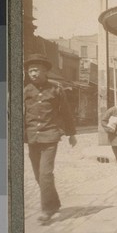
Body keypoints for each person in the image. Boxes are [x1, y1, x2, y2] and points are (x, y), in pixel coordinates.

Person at [23, 53, 77, 223]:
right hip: (32, 138)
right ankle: (54, 203)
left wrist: (71, 133)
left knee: (45, 174)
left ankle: (46, 211)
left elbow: (65, 112)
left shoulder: (56, 89)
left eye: (37, 70)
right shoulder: (25, 91)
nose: (33, 74)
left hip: (50, 137)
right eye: (30, 71)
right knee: (39, 176)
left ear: (45, 71)